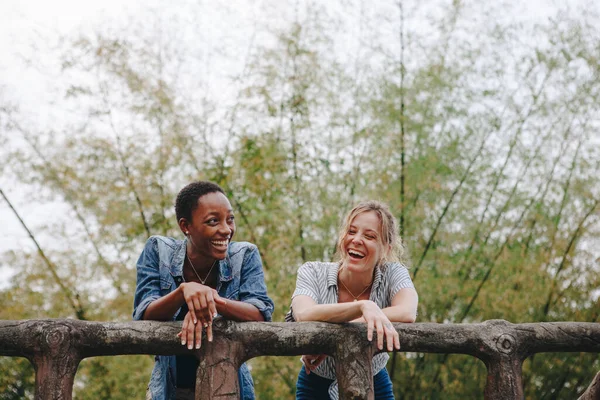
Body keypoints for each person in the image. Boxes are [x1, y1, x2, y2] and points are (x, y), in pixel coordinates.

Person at [133, 181, 274, 400]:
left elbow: (260, 312)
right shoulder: (158, 250)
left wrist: (211, 301)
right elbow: (144, 313)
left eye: (230, 219)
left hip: (230, 387)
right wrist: (183, 292)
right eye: (213, 221)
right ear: (185, 226)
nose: (226, 230)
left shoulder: (245, 255)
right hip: (169, 389)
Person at [286, 200, 418, 400]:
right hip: (315, 383)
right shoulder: (311, 271)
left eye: (369, 236)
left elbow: (407, 311)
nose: (356, 239)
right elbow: (304, 314)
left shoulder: (394, 272)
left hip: (375, 382)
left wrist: (329, 340)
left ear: (386, 249)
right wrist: (364, 307)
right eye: (351, 231)